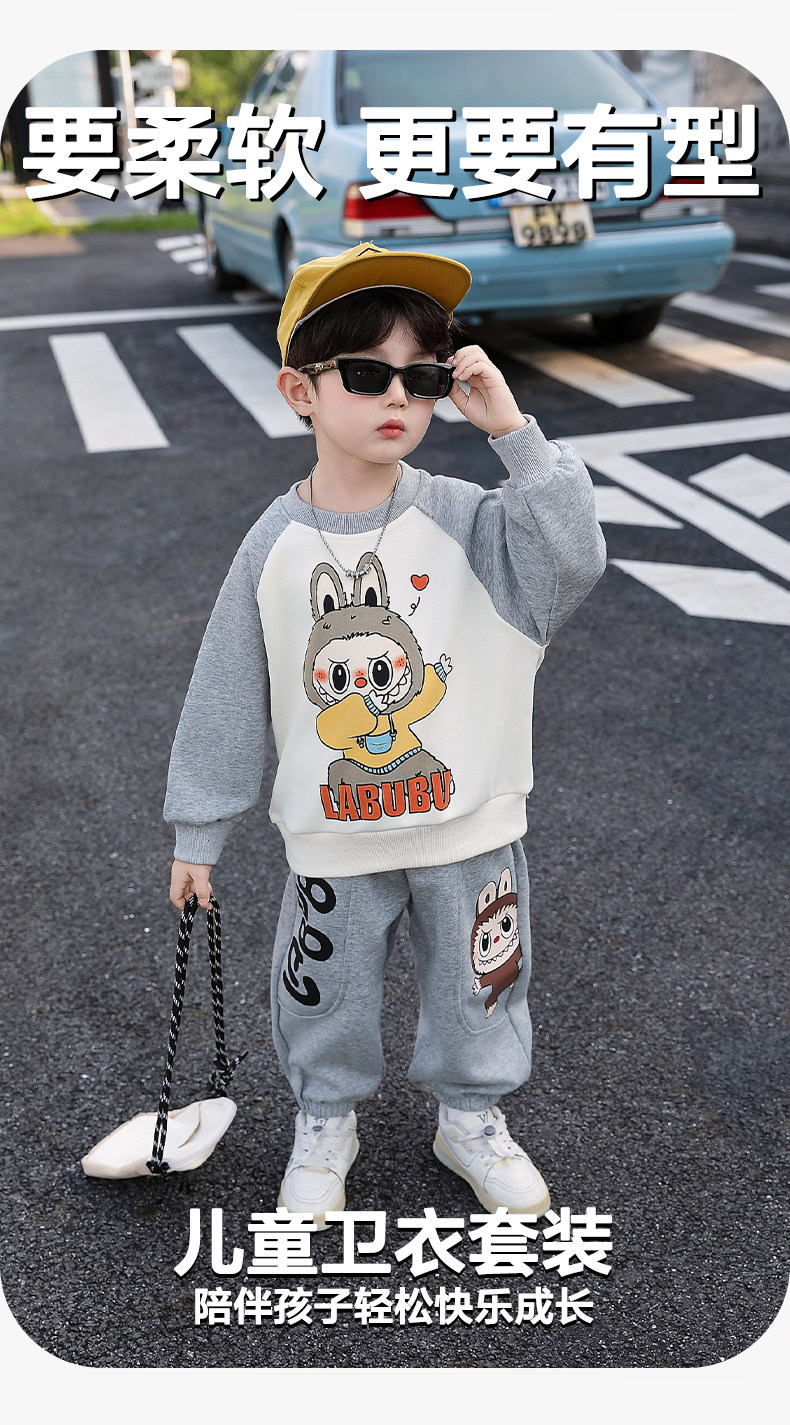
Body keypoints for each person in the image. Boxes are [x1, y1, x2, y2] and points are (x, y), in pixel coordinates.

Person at [164, 241, 606, 1226]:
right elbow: (227, 687)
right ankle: (325, 1121)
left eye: (424, 375)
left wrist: (515, 435)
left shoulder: (471, 519)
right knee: (322, 991)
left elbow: (572, 563)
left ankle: (470, 1119)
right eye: (366, 373)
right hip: (334, 835)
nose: (399, 395)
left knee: (479, 987)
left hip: (469, 827)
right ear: (301, 391)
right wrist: (200, 829)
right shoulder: (274, 547)